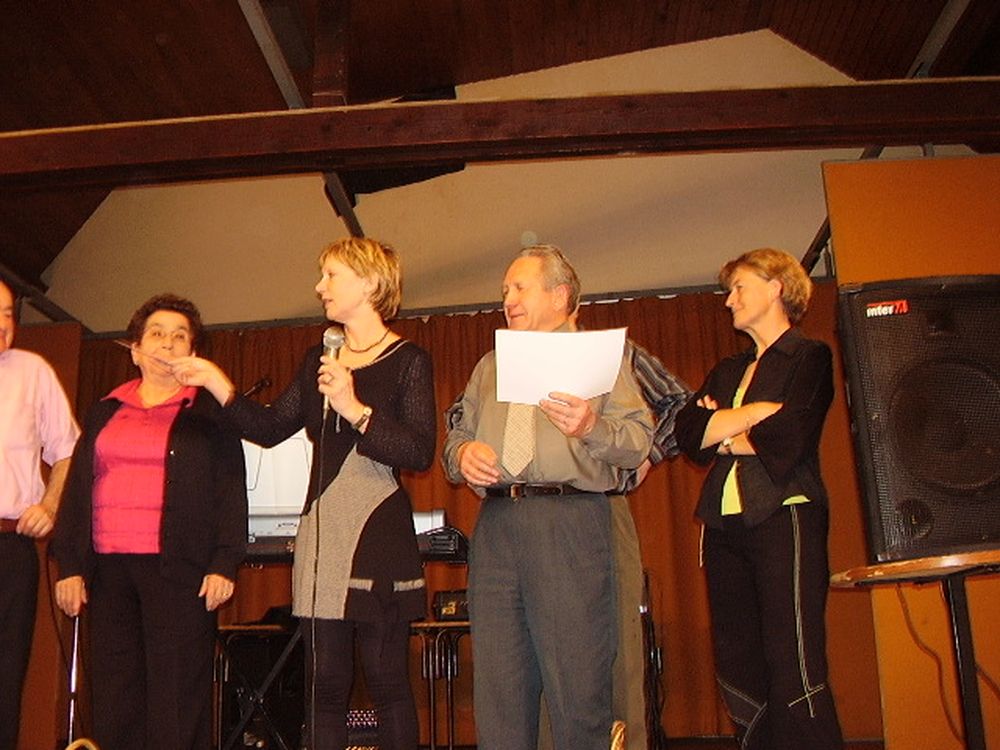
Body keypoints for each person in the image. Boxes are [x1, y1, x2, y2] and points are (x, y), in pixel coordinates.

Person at [172, 237, 437, 750]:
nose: (319, 287)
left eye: (331, 275)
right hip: (322, 538)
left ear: (369, 283)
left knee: (387, 683)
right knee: (325, 687)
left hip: (378, 535)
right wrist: (215, 381)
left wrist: (353, 407)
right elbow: (271, 426)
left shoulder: (409, 361)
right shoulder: (319, 356)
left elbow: (419, 451)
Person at [442, 244, 653, 750]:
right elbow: (455, 436)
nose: (507, 300)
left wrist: (592, 425)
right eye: (504, 291)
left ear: (560, 295)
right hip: (497, 526)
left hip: (569, 521)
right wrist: (463, 453)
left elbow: (638, 439)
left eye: (520, 287)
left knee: (577, 686)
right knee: (499, 692)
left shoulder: (599, 357)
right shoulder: (489, 366)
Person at [52, 294, 247, 750]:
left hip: (179, 571)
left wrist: (225, 562)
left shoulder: (210, 414)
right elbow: (78, 487)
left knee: (176, 698)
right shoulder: (105, 409)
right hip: (109, 571)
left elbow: (230, 489)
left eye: (180, 336)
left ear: (193, 352)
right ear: (136, 350)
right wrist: (71, 565)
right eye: (156, 334)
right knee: (116, 695)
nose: (168, 343)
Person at [674, 248, 843, 750]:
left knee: (793, 658)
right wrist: (751, 416)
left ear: (775, 288)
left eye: (739, 288)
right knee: (738, 660)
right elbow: (689, 433)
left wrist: (722, 430)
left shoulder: (809, 357)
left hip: (785, 517)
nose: (729, 301)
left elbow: (790, 435)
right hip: (723, 527)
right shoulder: (729, 370)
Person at [0, 278, 80, 750]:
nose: (2, 324)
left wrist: (49, 505)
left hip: (10, 548)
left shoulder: (32, 372)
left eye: (9, 313)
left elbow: (68, 449)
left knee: (6, 678)